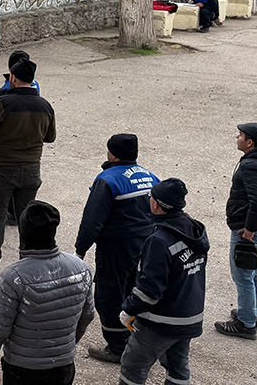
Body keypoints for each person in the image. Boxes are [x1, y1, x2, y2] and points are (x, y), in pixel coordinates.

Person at [0, 201, 94, 385]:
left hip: (23, 369)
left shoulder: (14, 277)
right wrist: (65, 346)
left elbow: (0, 327)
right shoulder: (81, 269)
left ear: (23, 232)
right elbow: (87, 315)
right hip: (63, 366)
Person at [73, 134, 157, 363]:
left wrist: (80, 249)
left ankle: (118, 347)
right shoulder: (150, 176)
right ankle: (140, 338)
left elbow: (92, 220)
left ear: (112, 153)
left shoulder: (108, 180)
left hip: (116, 248)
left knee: (108, 296)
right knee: (136, 291)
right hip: (148, 246)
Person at [0, 58, 56, 279]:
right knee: (26, 218)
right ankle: (26, 267)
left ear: (14, 79)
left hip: (2, 168)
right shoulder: (45, 106)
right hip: (31, 169)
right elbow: (50, 137)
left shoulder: (4, 103)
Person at [118, 178, 208, 385]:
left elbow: (150, 291)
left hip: (161, 321)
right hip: (189, 316)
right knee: (178, 366)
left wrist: (129, 309)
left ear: (156, 205)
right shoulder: (193, 230)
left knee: (133, 367)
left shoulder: (159, 241)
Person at [214, 123, 257, 339]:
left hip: (250, 231)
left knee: (243, 275)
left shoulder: (252, 166)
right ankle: (256, 314)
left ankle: (246, 324)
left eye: (241, 135)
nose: (237, 137)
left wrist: (249, 230)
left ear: (250, 142)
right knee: (255, 271)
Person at [0, 50, 42, 227]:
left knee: (3, 186)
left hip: (6, 152)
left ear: (11, 72)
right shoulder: (35, 88)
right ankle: (18, 214)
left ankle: (8, 215)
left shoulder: (5, 95)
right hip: (30, 148)